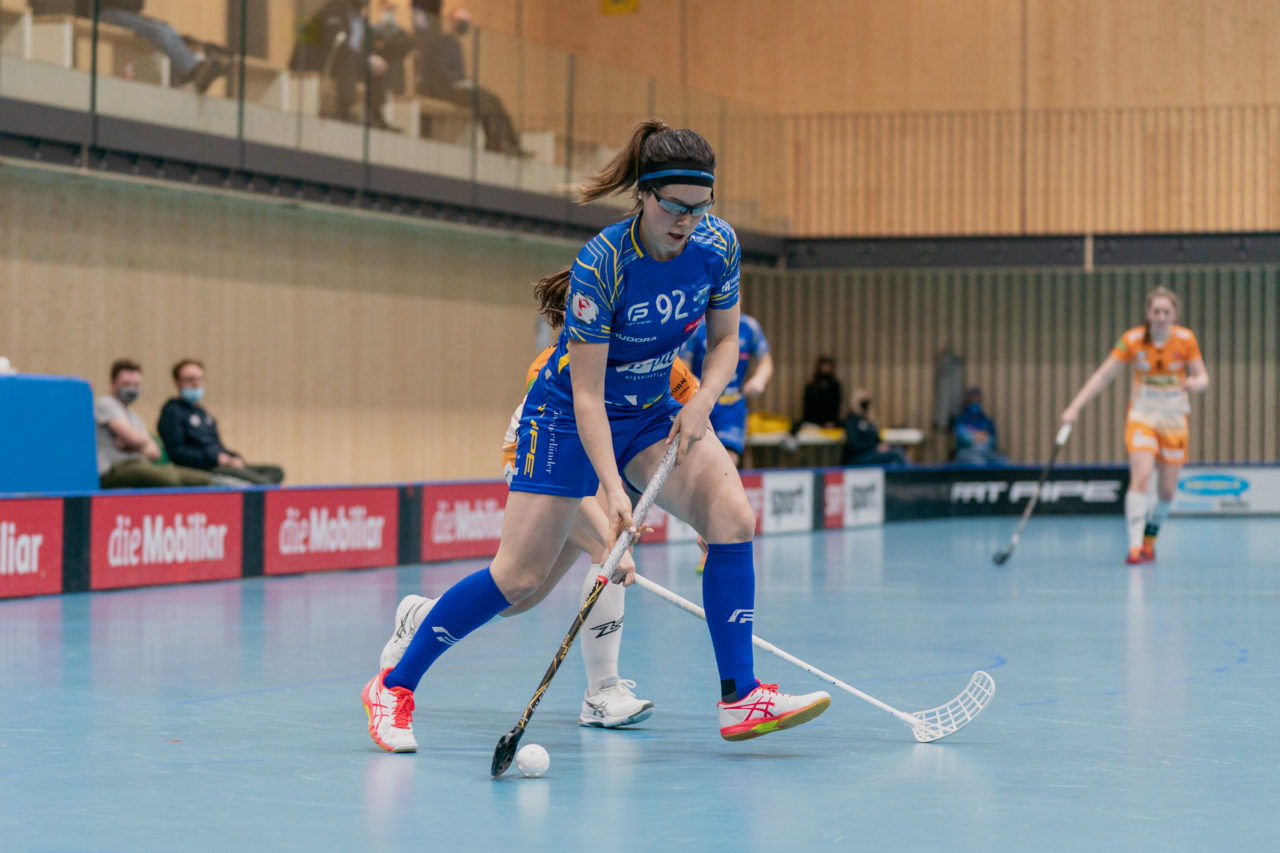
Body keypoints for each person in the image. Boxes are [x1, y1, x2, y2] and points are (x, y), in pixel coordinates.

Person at [361, 119, 830, 753]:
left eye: (700, 207)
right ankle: (393, 685)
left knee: (733, 519)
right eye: (674, 207)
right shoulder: (603, 264)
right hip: (566, 417)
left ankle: (740, 697)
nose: (687, 222)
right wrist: (612, 492)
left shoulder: (718, 243)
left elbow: (725, 341)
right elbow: (586, 397)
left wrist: (703, 403)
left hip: (652, 409)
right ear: (644, 194)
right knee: (518, 582)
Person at [379, 345, 704, 730]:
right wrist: (610, 537)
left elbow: (695, 434)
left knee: (520, 598)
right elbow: (566, 466)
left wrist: (704, 522)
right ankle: (602, 692)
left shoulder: (665, 364)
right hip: (540, 459)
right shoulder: (559, 363)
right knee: (603, 550)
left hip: (599, 468)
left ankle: (422, 616)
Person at [1061, 285, 1208, 564]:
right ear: (1148, 313)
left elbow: (1203, 377)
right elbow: (1103, 375)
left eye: (1166, 312)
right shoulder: (1132, 339)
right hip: (1142, 416)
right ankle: (1134, 546)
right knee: (1141, 475)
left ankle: (1150, 540)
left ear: (1174, 314)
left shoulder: (1186, 339)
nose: (1161, 317)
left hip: (1174, 420)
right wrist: (1074, 407)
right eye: (1156, 311)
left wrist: (1195, 383)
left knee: (1167, 492)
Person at [414, 8, 528, 155]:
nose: (464, 25)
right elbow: (439, 70)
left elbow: (459, 73)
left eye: (466, 22)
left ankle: (511, 142)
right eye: (461, 21)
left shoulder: (456, 45)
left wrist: (466, 82)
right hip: (442, 89)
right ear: (451, 22)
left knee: (493, 99)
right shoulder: (441, 43)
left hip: (457, 87)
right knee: (482, 100)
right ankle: (495, 142)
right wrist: (457, 82)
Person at [157, 358, 285, 486]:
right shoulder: (172, 411)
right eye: (190, 379)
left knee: (276, 471)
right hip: (206, 468)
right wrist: (215, 459)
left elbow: (218, 446)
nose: (196, 384)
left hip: (224, 463)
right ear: (177, 382)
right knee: (263, 484)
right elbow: (177, 452)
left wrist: (233, 457)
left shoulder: (201, 412)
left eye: (199, 379)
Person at [95, 359, 213, 489]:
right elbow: (135, 439)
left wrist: (134, 443)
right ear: (113, 383)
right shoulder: (106, 403)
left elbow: (155, 453)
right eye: (126, 384)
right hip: (113, 469)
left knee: (200, 479)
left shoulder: (134, 416)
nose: (131, 389)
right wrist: (139, 442)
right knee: (168, 479)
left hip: (140, 465)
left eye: (136, 385)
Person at [678, 313, 772, 466]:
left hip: (732, 408)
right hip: (700, 404)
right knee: (698, 460)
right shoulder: (695, 327)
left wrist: (759, 380)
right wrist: (696, 385)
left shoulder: (749, 326)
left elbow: (765, 361)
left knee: (729, 459)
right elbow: (682, 365)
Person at [93, 0, 227, 93]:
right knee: (160, 31)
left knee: (166, 29)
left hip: (127, 13)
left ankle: (191, 73)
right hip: (107, 13)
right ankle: (193, 73)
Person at [316, 0, 397, 129]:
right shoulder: (335, 8)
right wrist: (363, 58)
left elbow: (364, 45)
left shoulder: (361, 17)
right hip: (334, 58)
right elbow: (333, 39)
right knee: (349, 58)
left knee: (378, 64)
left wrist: (370, 58)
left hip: (355, 59)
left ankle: (376, 113)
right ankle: (344, 109)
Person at [841, 388, 907, 466]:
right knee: (895, 454)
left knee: (897, 449)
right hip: (857, 457)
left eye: (867, 400)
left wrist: (883, 444)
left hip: (871, 453)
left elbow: (876, 438)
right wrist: (875, 447)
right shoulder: (852, 420)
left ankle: (906, 471)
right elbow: (855, 444)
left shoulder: (869, 420)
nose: (866, 403)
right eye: (863, 400)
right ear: (856, 402)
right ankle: (908, 473)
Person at [952, 387, 1009, 466]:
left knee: (1003, 461)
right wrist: (974, 436)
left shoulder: (986, 421)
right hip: (967, 453)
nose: (975, 403)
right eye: (972, 401)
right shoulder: (961, 420)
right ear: (967, 402)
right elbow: (961, 438)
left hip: (985, 452)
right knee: (978, 462)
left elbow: (994, 440)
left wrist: (986, 438)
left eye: (977, 400)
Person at [799, 355, 842, 430]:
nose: (825, 369)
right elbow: (807, 406)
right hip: (812, 421)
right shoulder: (811, 386)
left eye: (827, 367)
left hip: (830, 422)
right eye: (823, 367)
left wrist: (832, 421)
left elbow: (836, 405)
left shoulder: (835, 386)